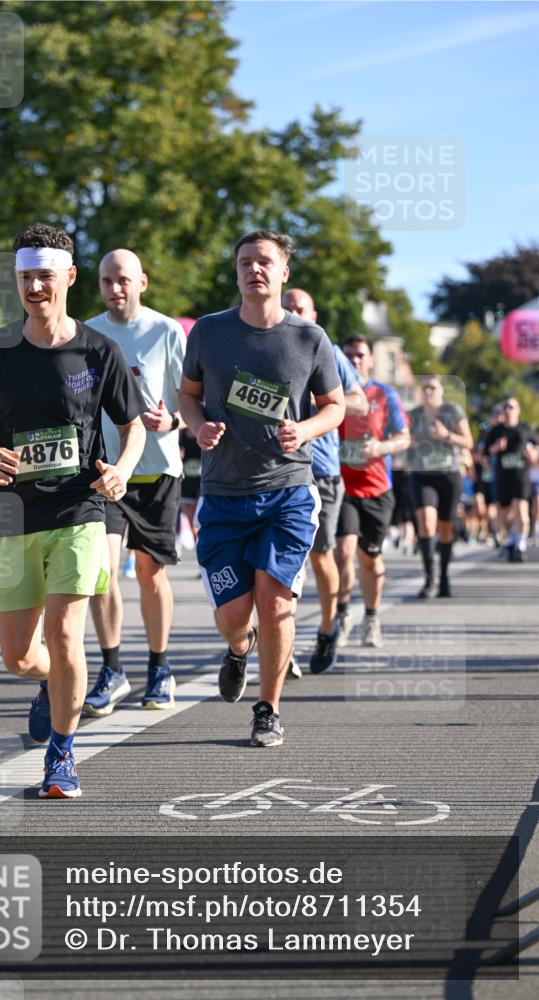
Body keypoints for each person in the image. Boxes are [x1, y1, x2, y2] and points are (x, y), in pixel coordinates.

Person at [0, 224, 146, 798]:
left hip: (78, 509)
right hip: (12, 516)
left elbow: (131, 428)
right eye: (25, 277)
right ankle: (51, 686)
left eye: (44, 275)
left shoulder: (98, 350)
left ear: (69, 277)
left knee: (66, 636)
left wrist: (122, 470)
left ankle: (62, 756)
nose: (35, 286)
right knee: (19, 657)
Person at [179, 230, 345, 747]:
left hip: (289, 490)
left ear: (283, 272)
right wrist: (196, 425)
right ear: (236, 272)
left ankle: (268, 708)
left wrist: (307, 429)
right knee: (234, 615)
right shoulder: (208, 332)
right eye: (246, 262)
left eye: (265, 262)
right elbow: (188, 397)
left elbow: (334, 406)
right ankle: (238, 648)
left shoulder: (309, 340)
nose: (255, 270)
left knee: (275, 603)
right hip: (225, 492)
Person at [83, 250, 186, 717]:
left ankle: (160, 667)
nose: (114, 289)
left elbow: (192, 398)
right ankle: (112, 668)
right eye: (106, 281)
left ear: (142, 282)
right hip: (105, 471)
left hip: (156, 468)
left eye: (122, 279)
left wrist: (175, 419)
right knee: (101, 573)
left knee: (149, 574)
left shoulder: (166, 331)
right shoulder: (85, 333)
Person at [281, 288, 369, 674]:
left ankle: (329, 626)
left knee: (320, 556)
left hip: (322, 469)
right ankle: (285, 647)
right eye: (288, 308)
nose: (294, 313)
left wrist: (323, 400)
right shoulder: (267, 344)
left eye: (300, 308)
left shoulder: (326, 349)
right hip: (278, 469)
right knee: (282, 563)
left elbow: (360, 401)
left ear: (313, 313)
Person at [335, 335, 410, 648]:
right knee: (343, 552)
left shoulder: (385, 394)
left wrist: (381, 446)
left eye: (361, 355)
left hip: (378, 488)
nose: (355, 360)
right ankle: (340, 616)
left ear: (371, 359)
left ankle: (371, 616)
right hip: (342, 486)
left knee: (370, 560)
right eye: (349, 355)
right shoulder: (332, 391)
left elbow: (404, 437)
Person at [408, 375, 474, 598]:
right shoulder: (414, 415)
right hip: (422, 474)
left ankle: (444, 576)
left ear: (442, 390)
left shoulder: (452, 411)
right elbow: (405, 439)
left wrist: (447, 435)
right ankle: (429, 579)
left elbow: (468, 441)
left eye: (432, 388)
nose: (428, 392)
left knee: (445, 527)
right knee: (426, 523)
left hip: (449, 474)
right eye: (425, 388)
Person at [483, 397, 537, 562]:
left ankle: (519, 546)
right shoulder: (495, 431)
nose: (508, 410)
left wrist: (533, 454)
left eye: (511, 407)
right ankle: (510, 540)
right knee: (504, 514)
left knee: (521, 508)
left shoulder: (525, 428)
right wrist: (496, 448)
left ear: (518, 410)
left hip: (521, 476)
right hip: (502, 477)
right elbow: (484, 454)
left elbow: (535, 446)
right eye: (505, 407)